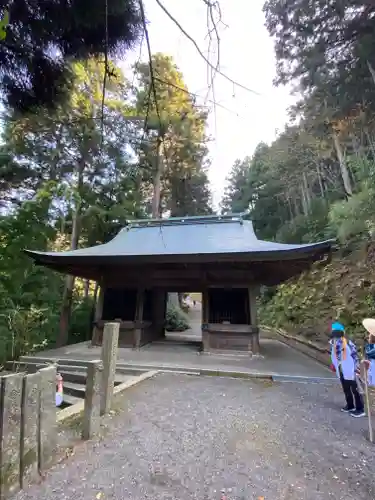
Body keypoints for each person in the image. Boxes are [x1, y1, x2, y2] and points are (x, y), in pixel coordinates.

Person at [330, 321, 365, 417]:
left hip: (351, 370)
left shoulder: (347, 343)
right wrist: (334, 364)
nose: (333, 332)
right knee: (346, 389)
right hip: (341, 369)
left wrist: (356, 371)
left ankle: (360, 409)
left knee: (355, 389)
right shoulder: (333, 342)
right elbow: (335, 355)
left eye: (334, 330)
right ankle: (350, 405)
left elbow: (354, 357)